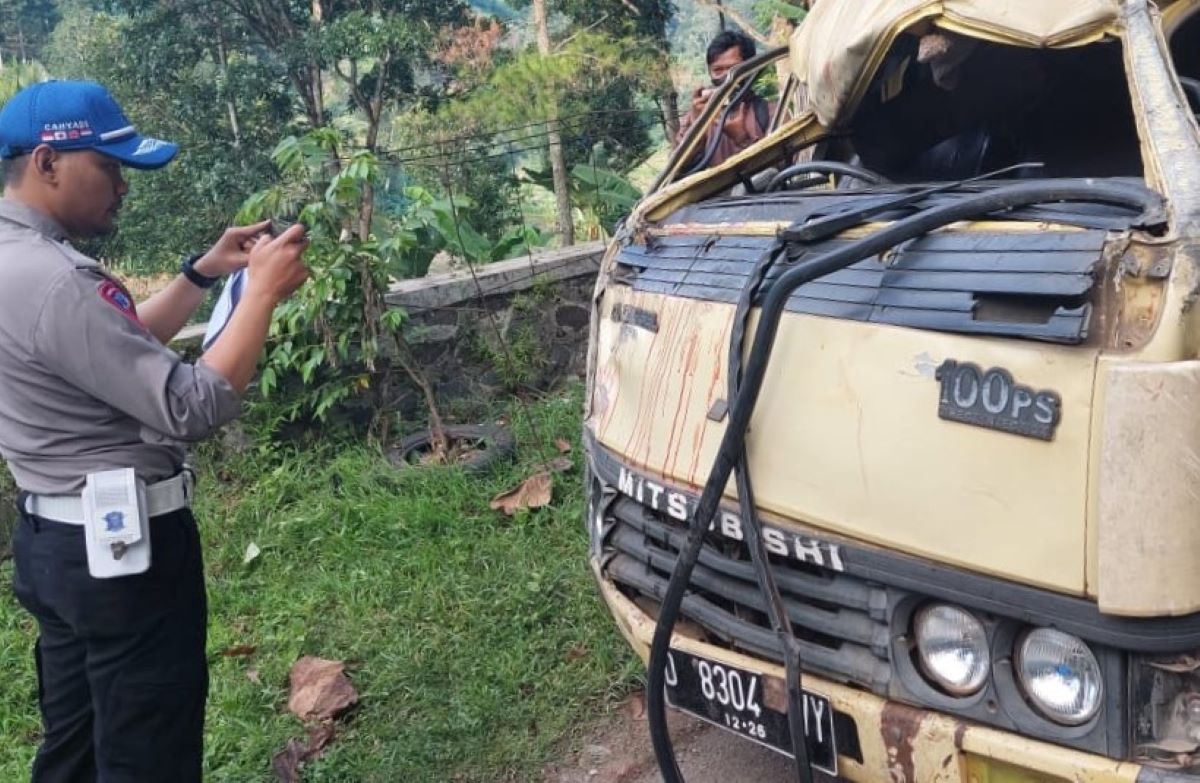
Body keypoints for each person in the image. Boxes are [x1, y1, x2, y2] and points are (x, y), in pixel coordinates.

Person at [0, 80, 309, 782]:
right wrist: (261, 293)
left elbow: (108, 348)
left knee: (74, 751)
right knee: (149, 758)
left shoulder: (15, 261)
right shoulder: (56, 279)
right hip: (120, 560)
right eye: (109, 167)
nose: (122, 187)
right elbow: (193, 406)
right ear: (47, 162)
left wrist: (201, 274)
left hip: (53, 547)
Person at [675, 31, 773, 171]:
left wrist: (742, 139)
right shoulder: (697, 116)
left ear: (750, 69)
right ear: (710, 72)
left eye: (734, 69)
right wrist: (696, 124)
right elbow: (677, 169)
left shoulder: (771, 113)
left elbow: (782, 167)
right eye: (718, 70)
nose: (727, 77)